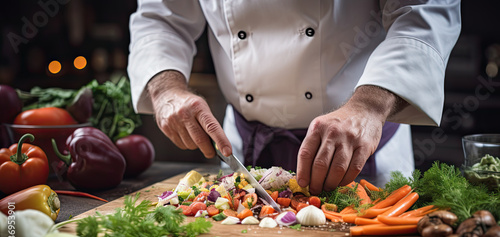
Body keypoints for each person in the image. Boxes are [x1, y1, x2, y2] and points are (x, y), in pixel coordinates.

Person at [128, 1, 461, 195]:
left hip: (362, 152)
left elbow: (423, 13)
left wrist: (370, 105)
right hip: (246, 154)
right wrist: (166, 88)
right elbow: (160, 17)